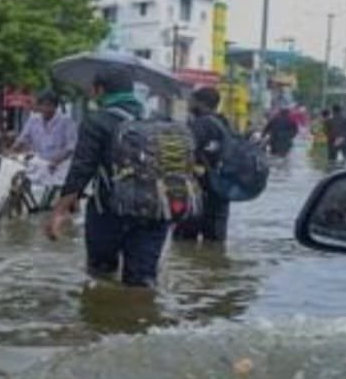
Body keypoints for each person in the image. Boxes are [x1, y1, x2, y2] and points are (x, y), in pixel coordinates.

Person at [45, 66, 171, 288]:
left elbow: (81, 169)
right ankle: (143, 320)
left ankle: (101, 317)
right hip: (155, 210)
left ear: (99, 90)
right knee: (142, 282)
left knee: (100, 278)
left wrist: (58, 212)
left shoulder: (97, 121)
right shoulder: (160, 119)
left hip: (109, 210)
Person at [173, 88, 232, 243]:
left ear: (201, 103)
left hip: (199, 189)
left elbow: (183, 151)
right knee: (215, 243)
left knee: (184, 241)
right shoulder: (224, 123)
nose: (190, 104)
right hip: (221, 188)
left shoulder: (200, 125)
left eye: (192, 100)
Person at [7, 90, 77, 208]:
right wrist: (12, 150)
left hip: (61, 164)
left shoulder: (66, 122)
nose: (45, 108)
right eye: (43, 105)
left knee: (59, 188)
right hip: (41, 161)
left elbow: (71, 148)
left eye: (49, 105)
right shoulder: (33, 120)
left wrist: (56, 161)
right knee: (22, 175)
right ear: (39, 106)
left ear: (55, 106)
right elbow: (23, 139)